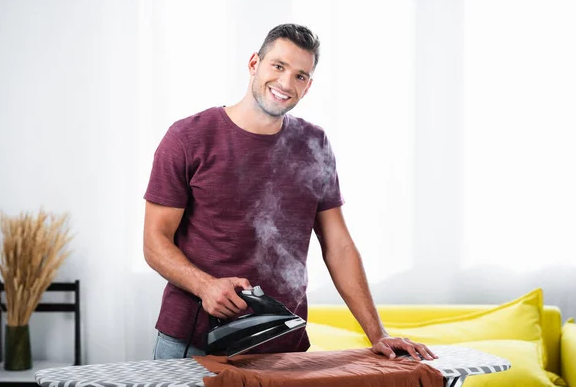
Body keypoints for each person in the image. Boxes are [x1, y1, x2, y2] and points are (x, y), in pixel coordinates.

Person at [143, 23, 437, 361]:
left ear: (308, 86)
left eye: (300, 75)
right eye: (278, 66)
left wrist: (378, 334)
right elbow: (155, 241)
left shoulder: (314, 143)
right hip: (194, 344)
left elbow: (338, 246)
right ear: (255, 64)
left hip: (285, 346)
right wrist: (205, 286)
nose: (285, 83)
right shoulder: (188, 137)